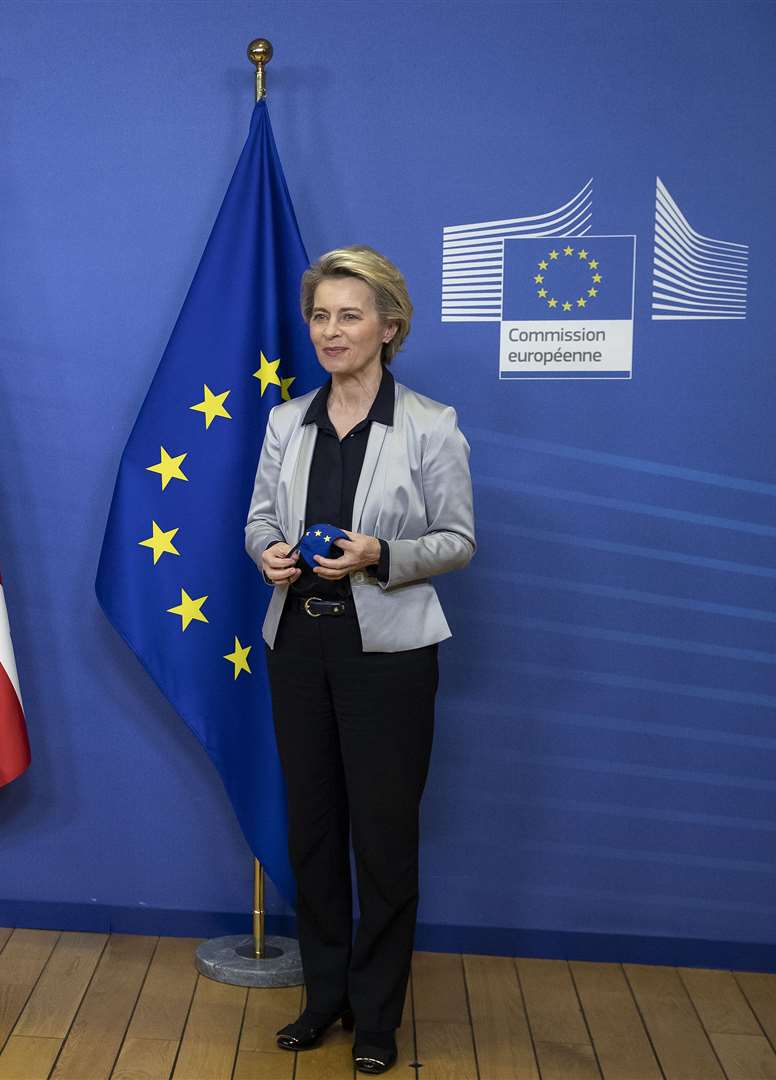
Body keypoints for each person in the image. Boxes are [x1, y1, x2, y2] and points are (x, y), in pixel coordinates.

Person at [246, 246, 474, 1074]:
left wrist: (382, 553)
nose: (331, 330)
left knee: (382, 839)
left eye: (349, 315)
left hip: (389, 659)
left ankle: (378, 1016)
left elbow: (458, 541)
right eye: (320, 316)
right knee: (312, 834)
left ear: (389, 327)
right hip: (297, 648)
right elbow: (259, 520)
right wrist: (267, 553)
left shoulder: (431, 425)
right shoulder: (285, 421)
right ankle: (325, 998)